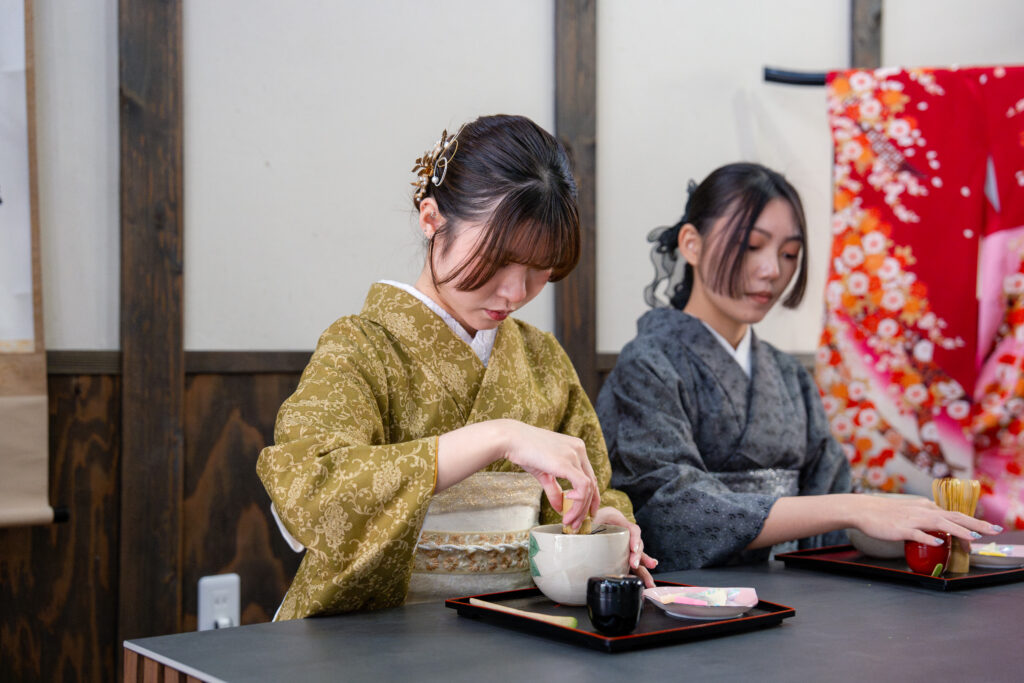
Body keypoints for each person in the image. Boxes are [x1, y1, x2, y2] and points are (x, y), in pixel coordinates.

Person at [257, 114, 657, 620]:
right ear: (431, 219)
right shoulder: (360, 347)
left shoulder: (542, 360)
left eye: (539, 270)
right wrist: (498, 436)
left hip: (520, 627)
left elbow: (595, 484)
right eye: (498, 259)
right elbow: (309, 493)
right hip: (372, 634)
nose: (515, 293)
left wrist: (602, 523)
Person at [594, 162, 1002, 572]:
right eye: (752, 245)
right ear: (692, 244)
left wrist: (906, 519)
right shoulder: (647, 365)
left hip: (803, 593)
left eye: (789, 253)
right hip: (693, 602)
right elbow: (668, 514)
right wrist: (851, 507)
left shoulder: (788, 375)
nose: (772, 270)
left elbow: (831, 505)